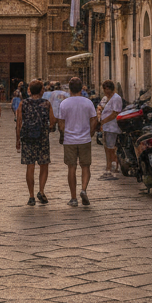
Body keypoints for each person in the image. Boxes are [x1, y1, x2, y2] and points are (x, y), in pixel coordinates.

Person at [58, 77, 98, 206]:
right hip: (84, 139)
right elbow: (94, 120)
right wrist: (90, 134)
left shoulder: (64, 104)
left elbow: (61, 124)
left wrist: (65, 133)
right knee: (85, 166)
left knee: (72, 168)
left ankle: (73, 198)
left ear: (69, 89)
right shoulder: (88, 103)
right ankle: (84, 190)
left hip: (69, 140)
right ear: (82, 88)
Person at [17, 80, 56, 206]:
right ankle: (41, 191)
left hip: (27, 138)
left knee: (30, 166)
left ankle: (31, 196)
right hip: (42, 138)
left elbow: (19, 123)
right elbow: (52, 121)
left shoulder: (23, 103)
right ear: (41, 91)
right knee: (44, 165)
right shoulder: (46, 103)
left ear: (29, 90)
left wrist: (17, 139)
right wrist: (49, 128)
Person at [96, 80, 124, 179]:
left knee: (111, 148)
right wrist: (99, 114)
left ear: (109, 89)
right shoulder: (105, 98)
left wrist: (103, 121)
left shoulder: (116, 98)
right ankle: (109, 166)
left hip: (112, 126)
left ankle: (112, 167)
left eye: (105, 89)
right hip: (106, 127)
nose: (104, 91)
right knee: (107, 147)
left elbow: (115, 113)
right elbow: (100, 106)